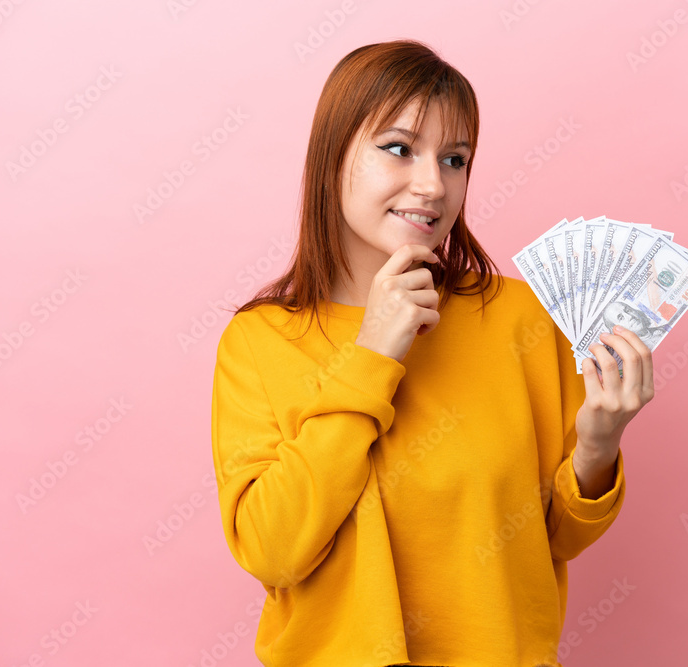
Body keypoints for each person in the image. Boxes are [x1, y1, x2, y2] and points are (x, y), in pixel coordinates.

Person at [210, 39, 655, 667]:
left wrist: (598, 445)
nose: (432, 185)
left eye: (454, 159)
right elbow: (274, 551)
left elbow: (551, 540)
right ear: (333, 153)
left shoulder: (520, 320)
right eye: (399, 148)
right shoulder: (260, 343)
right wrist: (373, 355)